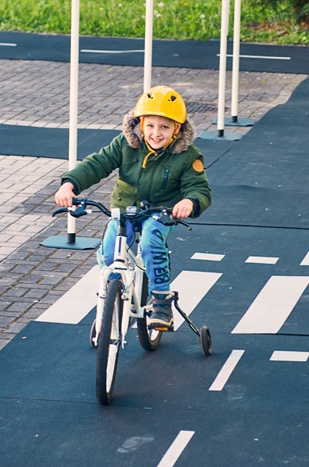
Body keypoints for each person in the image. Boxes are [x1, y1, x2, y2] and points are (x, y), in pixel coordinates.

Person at [54, 86, 212, 330]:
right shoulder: (126, 144)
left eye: (164, 127)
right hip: (124, 209)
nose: (156, 133)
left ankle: (161, 299)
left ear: (177, 129)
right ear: (140, 123)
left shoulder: (187, 155)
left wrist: (189, 202)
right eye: (150, 125)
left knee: (150, 243)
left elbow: (199, 188)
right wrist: (70, 185)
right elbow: (97, 164)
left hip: (161, 212)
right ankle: (112, 297)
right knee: (109, 254)